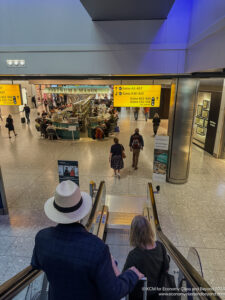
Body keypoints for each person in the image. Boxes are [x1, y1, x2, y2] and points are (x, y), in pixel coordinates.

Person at [31, 180, 143, 300]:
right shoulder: (97, 248)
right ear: (82, 213)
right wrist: (132, 275)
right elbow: (113, 293)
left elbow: (36, 264)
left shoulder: (42, 238)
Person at [123, 215, 170, 300]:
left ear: (134, 234)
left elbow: (125, 280)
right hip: (156, 295)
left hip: (139, 296)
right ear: (149, 230)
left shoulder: (134, 255)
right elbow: (166, 269)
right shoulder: (160, 247)